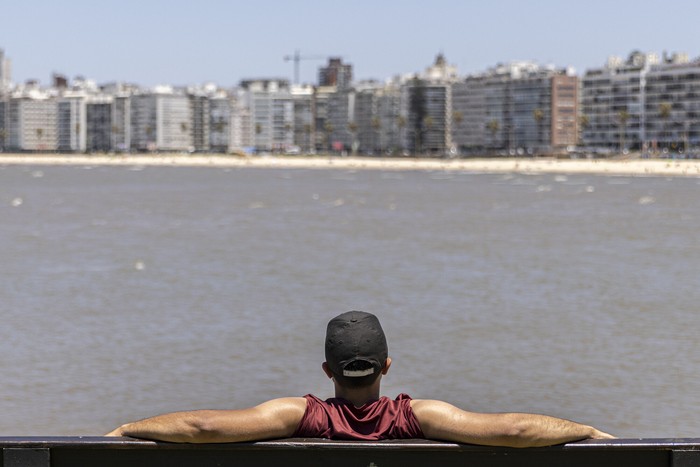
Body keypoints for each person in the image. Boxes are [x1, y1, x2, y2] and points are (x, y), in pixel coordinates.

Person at [107, 311, 613, 447]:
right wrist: (585, 431)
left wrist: (130, 428)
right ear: (387, 367)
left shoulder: (300, 416)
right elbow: (516, 431)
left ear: (327, 371)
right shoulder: (418, 417)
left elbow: (203, 428)